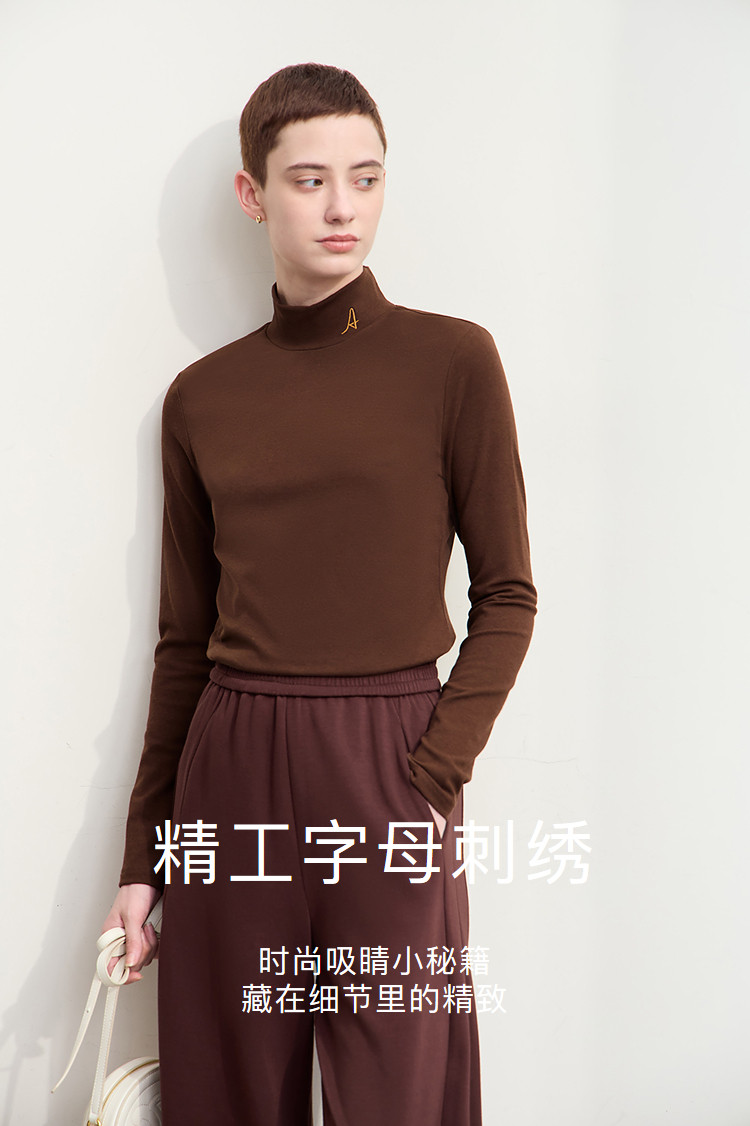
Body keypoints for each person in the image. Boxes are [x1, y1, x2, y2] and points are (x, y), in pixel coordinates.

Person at [102, 61, 537, 1125]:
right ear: (253, 194)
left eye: (365, 177)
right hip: (234, 763)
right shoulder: (202, 399)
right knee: (230, 1083)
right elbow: (183, 641)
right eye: (309, 180)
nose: (342, 207)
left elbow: (509, 594)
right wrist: (146, 858)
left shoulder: (453, 362)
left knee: (399, 1086)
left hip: (391, 758)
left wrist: (431, 772)